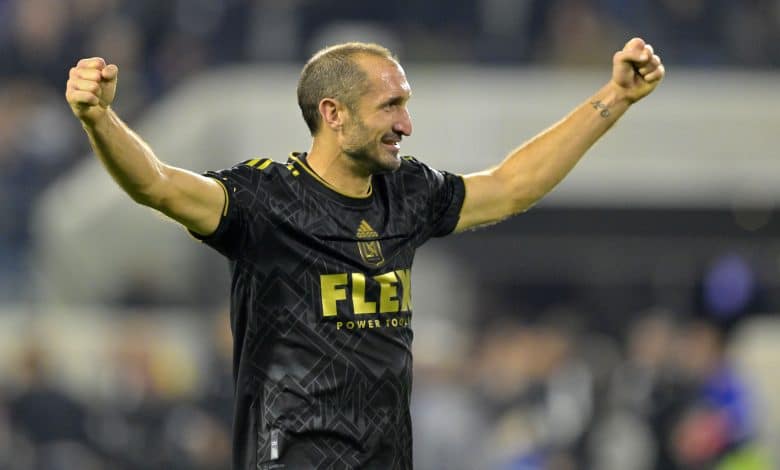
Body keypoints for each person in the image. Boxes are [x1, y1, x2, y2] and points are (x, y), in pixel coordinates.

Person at [65, 38, 664, 469]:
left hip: (386, 454)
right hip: (292, 454)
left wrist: (615, 98)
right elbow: (158, 184)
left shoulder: (408, 193)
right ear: (334, 113)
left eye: (405, 104)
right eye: (390, 106)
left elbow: (511, 186)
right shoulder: (265, 199)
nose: (406, 123)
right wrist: (99, 118)